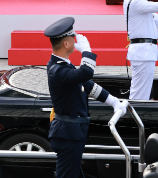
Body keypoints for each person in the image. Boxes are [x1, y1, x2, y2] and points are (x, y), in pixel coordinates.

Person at [44, 17, 126, 178]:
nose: (76, 42)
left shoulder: (63, 65)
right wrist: (87, 51)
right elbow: (86, 72)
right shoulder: (57, 70)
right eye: (72, 39)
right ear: (66, 44)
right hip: (68, 135)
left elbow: (87, 85)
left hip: (72, 133)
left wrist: (113, 101)